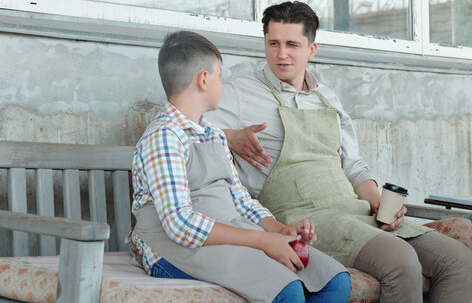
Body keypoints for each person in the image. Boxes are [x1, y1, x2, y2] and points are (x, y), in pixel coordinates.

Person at [204, 2, 472, 302]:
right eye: (274, 43)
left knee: (459, 260)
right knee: (401, 260)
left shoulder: (327, 97)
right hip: (300, 217)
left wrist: (378, 203)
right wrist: (229, 137)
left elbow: (353, 166)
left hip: (351, 210)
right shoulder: (241, 91)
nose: (282, 54)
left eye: (292, 44)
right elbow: (184, 124)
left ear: (311, 50)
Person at [129, 30, 351, 303]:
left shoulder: (213, 133)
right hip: (175, 248)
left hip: (231, 234)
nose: (222, 84)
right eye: (220, 76)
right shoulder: (164, 136)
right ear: (203, 79)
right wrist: (262, 241)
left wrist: (280, 231)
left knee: (334, 281)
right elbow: (180, 225)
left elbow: (241, 200)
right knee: (286, 291)